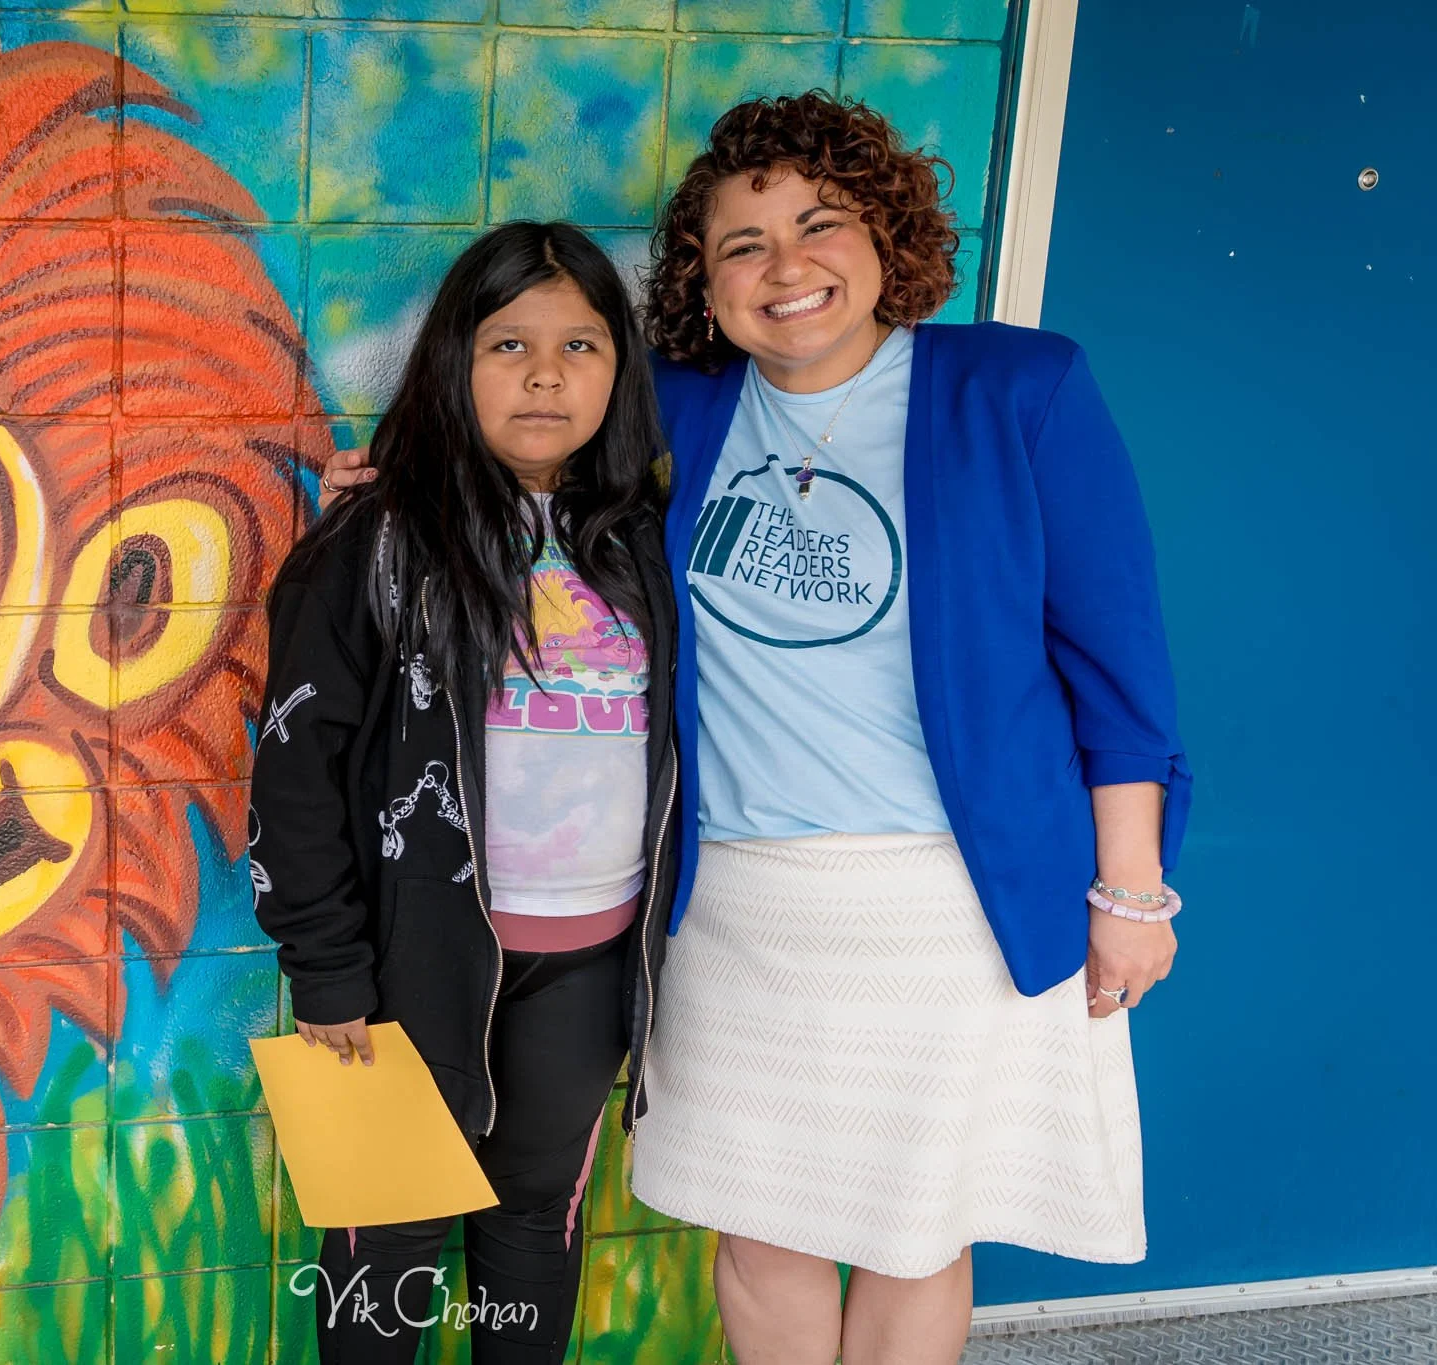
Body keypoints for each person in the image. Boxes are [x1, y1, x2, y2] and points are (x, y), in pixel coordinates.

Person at [319, 93, 1191, 1365]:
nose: (786, 269)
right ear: (705, 285)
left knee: (915, 1233)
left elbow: (1115, 663)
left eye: (818, 224)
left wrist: (1130, 890)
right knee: (762, 1231)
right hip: (733, 903)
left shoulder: (1013, 389)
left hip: (946, 901)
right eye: (743, 246)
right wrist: (397, 477)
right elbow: (526, 442)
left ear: (884, 235)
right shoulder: (677, 406)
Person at [250, 220, 681, 1363]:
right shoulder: (380, 539)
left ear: (618, 370)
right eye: (508, 345)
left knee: (531, 1226)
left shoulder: (642, 546)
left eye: (581, 346)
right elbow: (296, 772)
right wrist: (328, 974)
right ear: (453, 361)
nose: (545, 373)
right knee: (387, 1244)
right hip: (409, 965)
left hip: (587, 965)